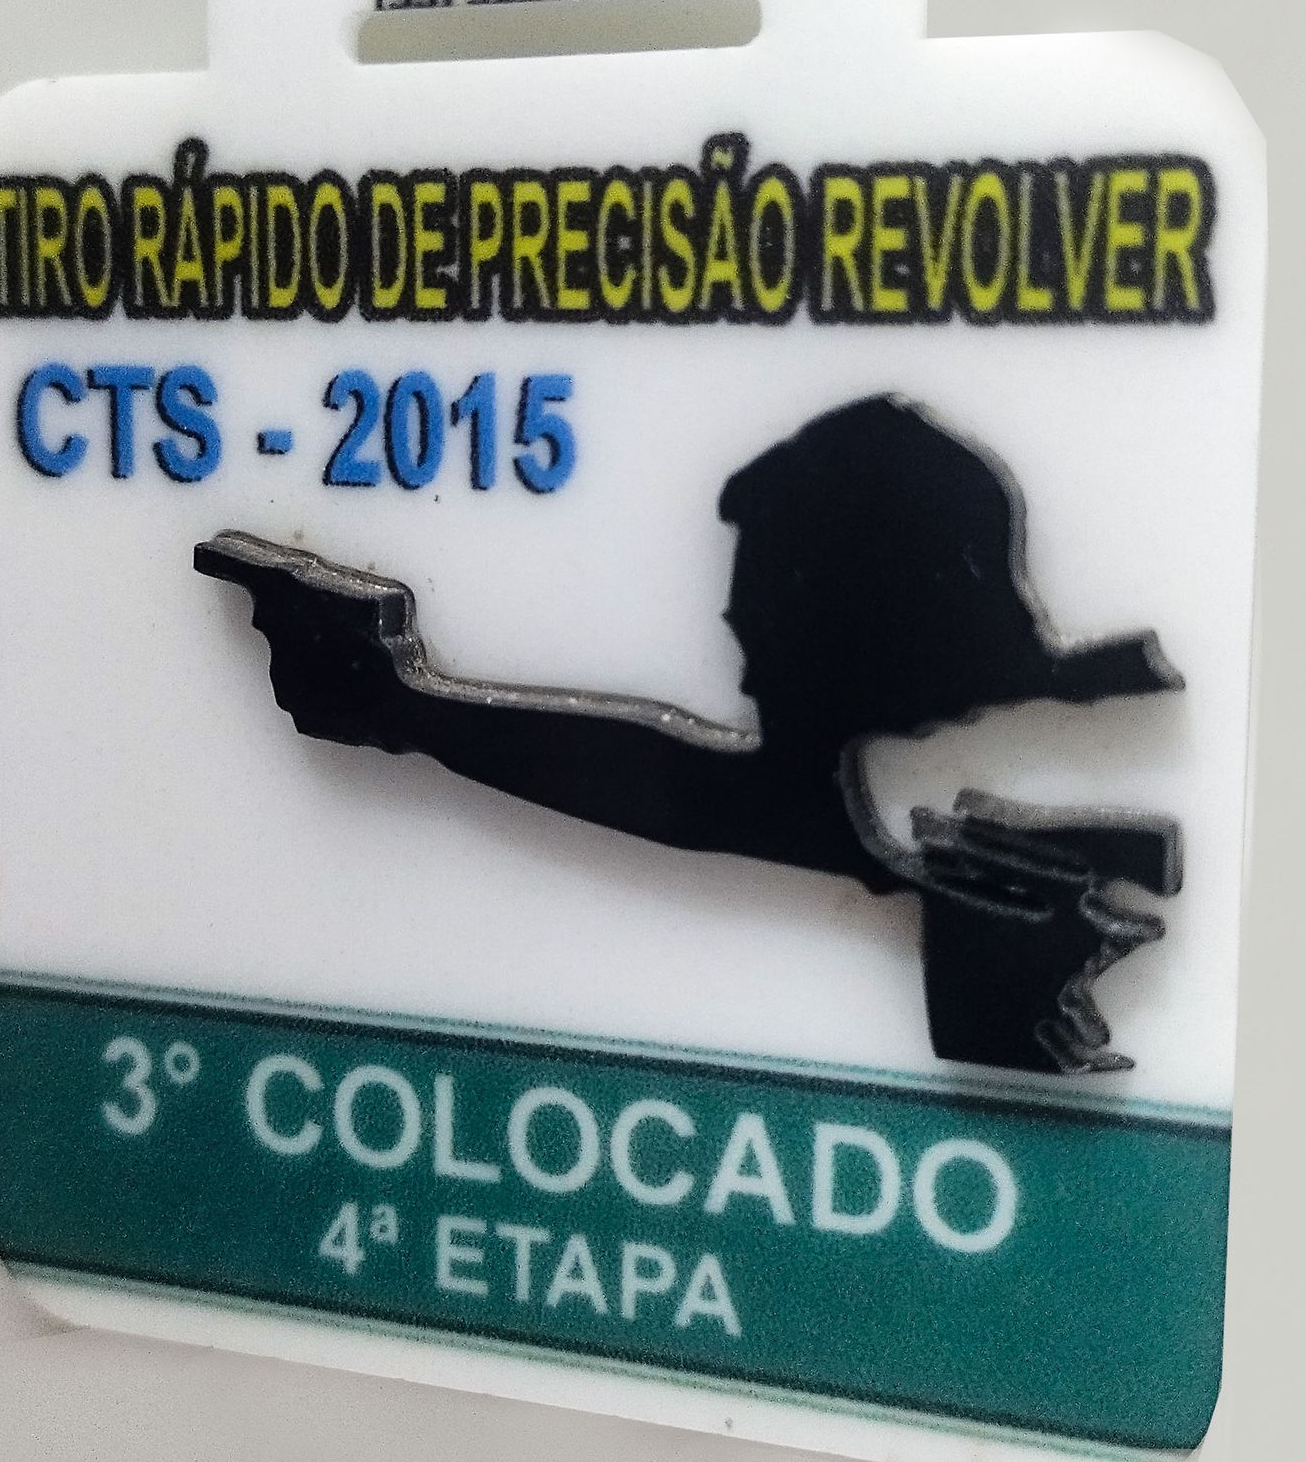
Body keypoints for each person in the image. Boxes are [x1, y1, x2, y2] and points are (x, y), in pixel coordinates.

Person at [196, 394, 1182, 1075]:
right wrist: (408, 712)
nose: (733, 625)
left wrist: (407, 713)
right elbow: (716, 797)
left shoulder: (993, 779)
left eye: (766, 596)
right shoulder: (927, 755)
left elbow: (723, 800)